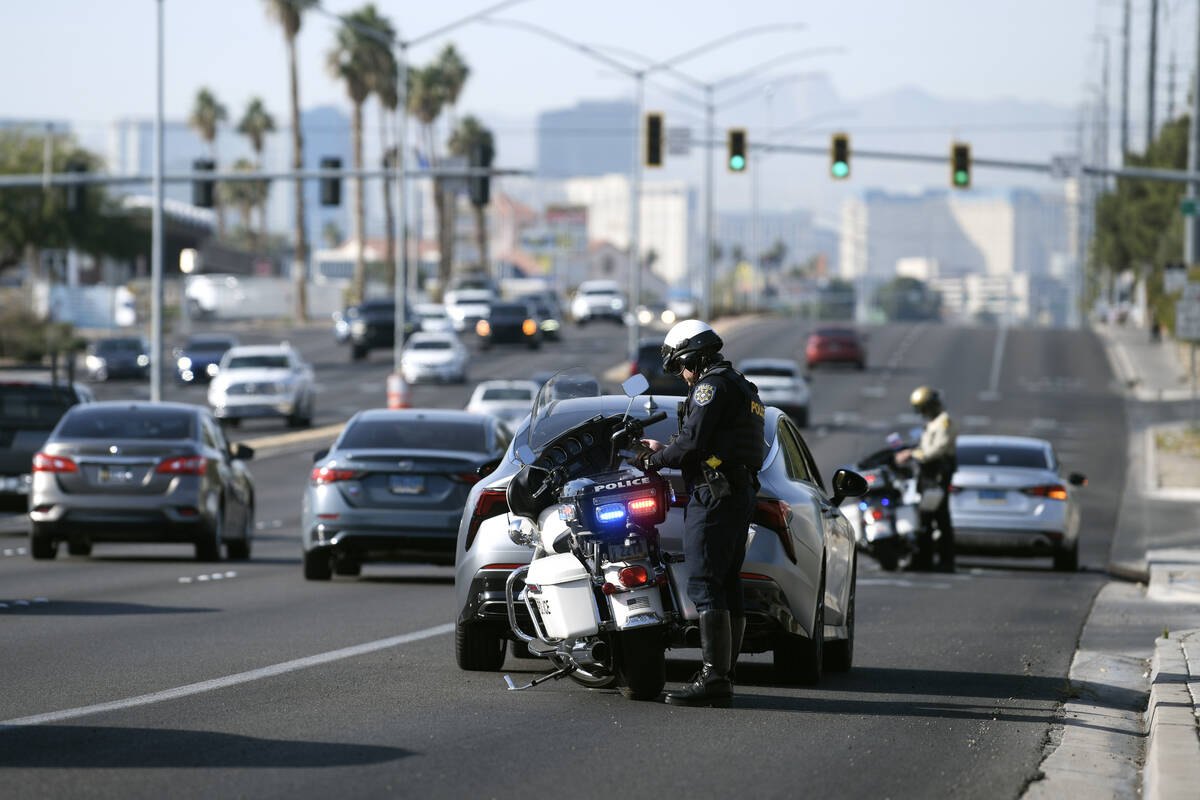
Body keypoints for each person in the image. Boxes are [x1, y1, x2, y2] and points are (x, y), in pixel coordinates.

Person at [637, 319, 765, 707]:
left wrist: (654, 459)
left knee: (705, 581)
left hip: (714, 494)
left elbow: (693, 444)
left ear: (693, 355)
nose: (682, 375)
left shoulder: (712, 386)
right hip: (736, 491)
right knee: (726, 583)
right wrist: (670, 448)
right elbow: (714, 439)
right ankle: (725, 672)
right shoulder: (741, 384)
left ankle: (714, 678)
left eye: (680, 366)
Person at [895, 386, 958, 572]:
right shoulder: (933, 422)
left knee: (939, 518)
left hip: (938, 474)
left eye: (924, 408)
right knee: (926, 518)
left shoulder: (944, 422)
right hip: (927, 474)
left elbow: (937, 449)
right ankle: (925, 561)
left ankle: (945, 562)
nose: (922, 413)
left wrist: (913, 454)